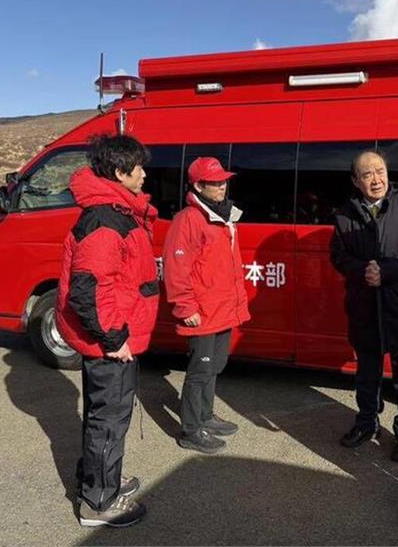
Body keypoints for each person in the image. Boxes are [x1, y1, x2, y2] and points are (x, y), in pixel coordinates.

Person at [55, 134, 158, 528]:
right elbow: (89, 289)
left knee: (107, 417)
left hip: (117, 334)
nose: (145, 174)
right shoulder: (105, 218)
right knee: (108, 419)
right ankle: (99, 501)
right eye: (139, 168)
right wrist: (114, 339)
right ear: (120, 172)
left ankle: (102, 480)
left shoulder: (116, 210)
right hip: (112, 341)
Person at [330, 151, 398, 463]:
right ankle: (366, 423)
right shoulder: (344, 214)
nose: (376, 179)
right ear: (355, 181)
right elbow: (338, 256)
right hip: (363, 305)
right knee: (367, 373)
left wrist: (384, 271)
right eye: (367, 174)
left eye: (380, 171)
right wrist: (363, 271)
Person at [162, 157, 251, 454]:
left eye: (224, 180)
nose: (222, 186)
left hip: (222, 309)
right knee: (200, 370)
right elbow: (177, 267)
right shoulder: (189, 219)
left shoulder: (222, 215)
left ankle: (205, 415)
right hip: (202, 312)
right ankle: (190, 429)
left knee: (216, 366)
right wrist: (185, 308)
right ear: (198, 186)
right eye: (214, 182)